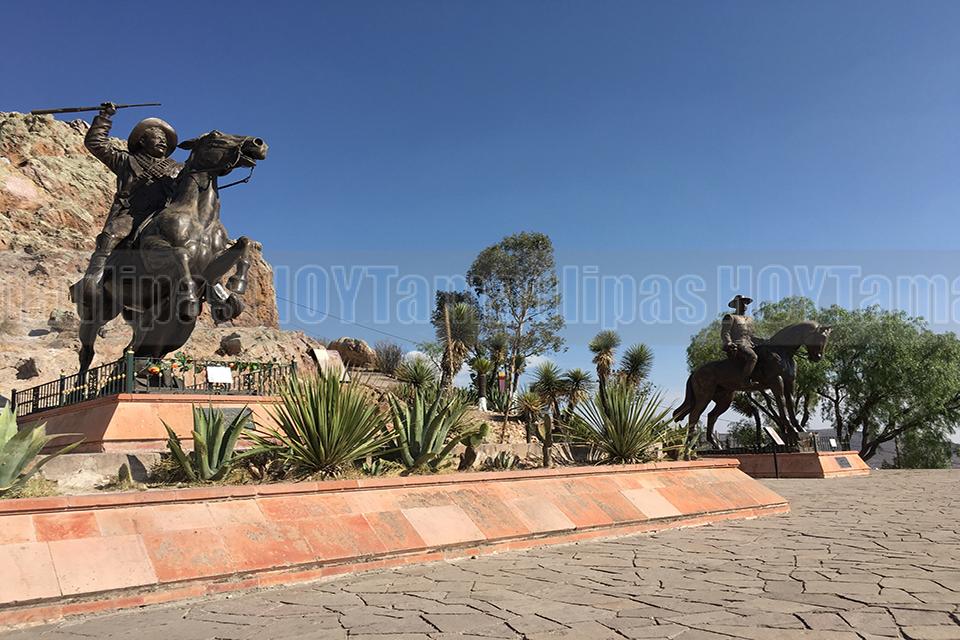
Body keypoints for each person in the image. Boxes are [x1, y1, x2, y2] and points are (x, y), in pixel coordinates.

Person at [75, 102, 182, 300]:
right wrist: (104, 117)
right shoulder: (125, 160)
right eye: (157, 137)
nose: (163, 142)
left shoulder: (177, 167)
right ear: (142, 141)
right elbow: (95, 143)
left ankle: (214, 289)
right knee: (111, 235)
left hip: (163, 215)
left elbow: (196, 180)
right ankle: (94, 277)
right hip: (133, 213)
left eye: (165, 140)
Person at [721, 295, 758, 384]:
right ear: (736, 305)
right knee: (753, 357)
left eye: (745, 302)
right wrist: (729, 343)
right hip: (738, 345)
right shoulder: (730, 317)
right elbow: (725, 332)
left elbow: (752, 336)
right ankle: (744, 380)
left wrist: (764, 340)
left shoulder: (750, 320)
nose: (744, 305)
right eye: (741, 302)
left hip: (750, 345)